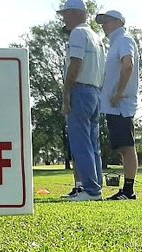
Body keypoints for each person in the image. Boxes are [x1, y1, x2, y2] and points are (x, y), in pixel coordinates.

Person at [58, 0, 106, 201]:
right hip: (95, 92)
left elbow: (76, 63)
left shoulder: (78, 33)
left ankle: (91, 190)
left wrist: (66, 92)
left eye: (65, 14)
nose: (63, 18)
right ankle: (95, 187)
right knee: (93, 144)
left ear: (76, 13)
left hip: (80, 90)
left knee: (81, 143)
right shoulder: (96, 37)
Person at [96, 10, 139, 200]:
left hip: (121, 103)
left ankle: (129, 191)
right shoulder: (115, 43)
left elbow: (128, 65)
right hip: (113, 104)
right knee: (122, 147)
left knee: (127, 146)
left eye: (106, 21)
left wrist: (119, 92)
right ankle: (126, 190)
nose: (103, 26)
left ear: (117, 22)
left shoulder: (123, 39)